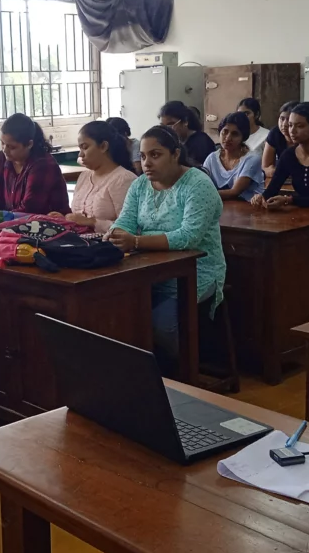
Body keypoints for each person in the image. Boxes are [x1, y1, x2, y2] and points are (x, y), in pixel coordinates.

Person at [107, 126, 225, 370]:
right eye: (142, 156)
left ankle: (183, 373)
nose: (147, 163)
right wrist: (115, 233)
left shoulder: (197, 184)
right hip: (149, 270)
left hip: (196, 272)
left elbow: (188, 237)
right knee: (117, 314)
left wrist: (136, 241)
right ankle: (144, 373)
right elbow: (126, 220)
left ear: (175, 154)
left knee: (160, 325)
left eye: (155, 155)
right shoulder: (140, 185)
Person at [0, 113, 70, 226]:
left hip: (46, 226)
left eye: (12, 147)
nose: (5, 150)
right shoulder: (0, 159)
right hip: (9, 224)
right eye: (2, 143)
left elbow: (28, 210)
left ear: (29, 144)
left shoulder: (43, 164)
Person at [52, 120, 136, 234]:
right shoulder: (84, 177)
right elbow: (79, 217)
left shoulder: (123, 179)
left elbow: (130, 228)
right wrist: (65, 219)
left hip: (106, 243)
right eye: (80, 148)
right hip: (79, 240)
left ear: (103, 146)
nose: (80, 154)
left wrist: (92, 222)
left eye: (85, 147)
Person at [256, 101, 309, 210]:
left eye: (300, 126)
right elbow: (273, 188)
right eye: (290, 125)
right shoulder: (289, 155)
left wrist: (289, 200)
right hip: (301, 211)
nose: (292, 131)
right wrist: (261, 197)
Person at [203, 111, 265, 202]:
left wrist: (204, 194)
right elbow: (202, 184)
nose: (228, 138)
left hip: (249, 208)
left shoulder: (252, 159)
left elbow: (234, 192)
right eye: (225, 132)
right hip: (221, 207)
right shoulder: (211, 158)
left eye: (235, 134)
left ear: (243, 137)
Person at [159, 100, 215, 166]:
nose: (166, 129)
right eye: (162, 126)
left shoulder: (201, 142)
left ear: (185, 121)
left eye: (170, 124)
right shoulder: (172, 143)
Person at [263, 100, 298, 181]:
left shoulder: (304, 136)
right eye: (282, 118)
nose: (284, 124)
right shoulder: (275, 133)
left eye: (289, 119)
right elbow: (265, 167)